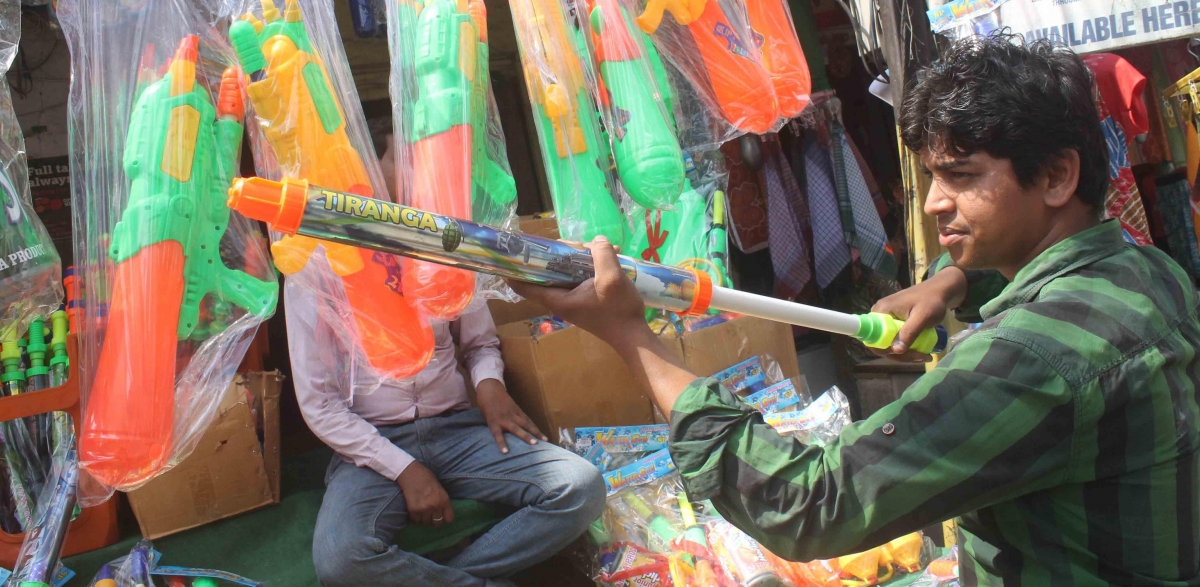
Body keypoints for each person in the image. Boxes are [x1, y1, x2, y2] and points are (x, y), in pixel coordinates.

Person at [513, 35, 1200, 586]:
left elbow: (808, 504)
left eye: (960, 176)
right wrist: (953, 282)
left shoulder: (1031, 358)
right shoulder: (1148, 271)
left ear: (1056, 176)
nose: (934, 203)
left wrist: (631, 337)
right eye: (932, 176)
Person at [293, 133, 606, 587]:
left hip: (457, 430)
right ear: (361, 171)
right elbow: (319, 404)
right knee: (340, 560)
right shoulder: (315, 266)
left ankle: (444, 577)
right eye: (397, 160)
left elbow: (479, 345)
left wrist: (489, 387)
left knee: (580, 487)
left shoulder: (440, 242)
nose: (411, 175)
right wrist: (404, 469)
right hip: (369, 448)